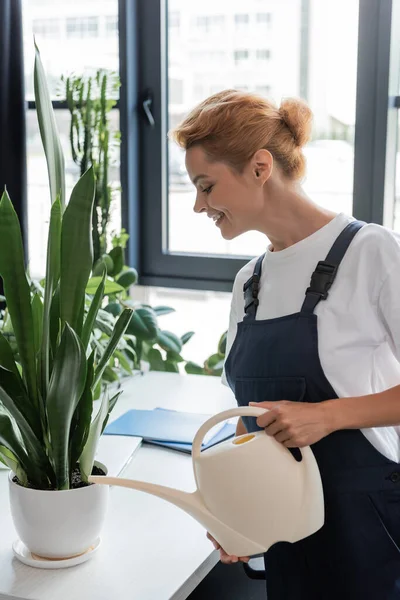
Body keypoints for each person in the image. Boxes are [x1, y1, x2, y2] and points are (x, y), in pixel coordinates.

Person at [170, 89, 400, 599]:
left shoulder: (372, 252)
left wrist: (329, 415)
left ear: (259, 167)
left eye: (206, 185)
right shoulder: (248, 283)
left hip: (368, 534)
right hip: (285, 531)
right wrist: (233, 513)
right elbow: (249, 427)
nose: (198, 204)